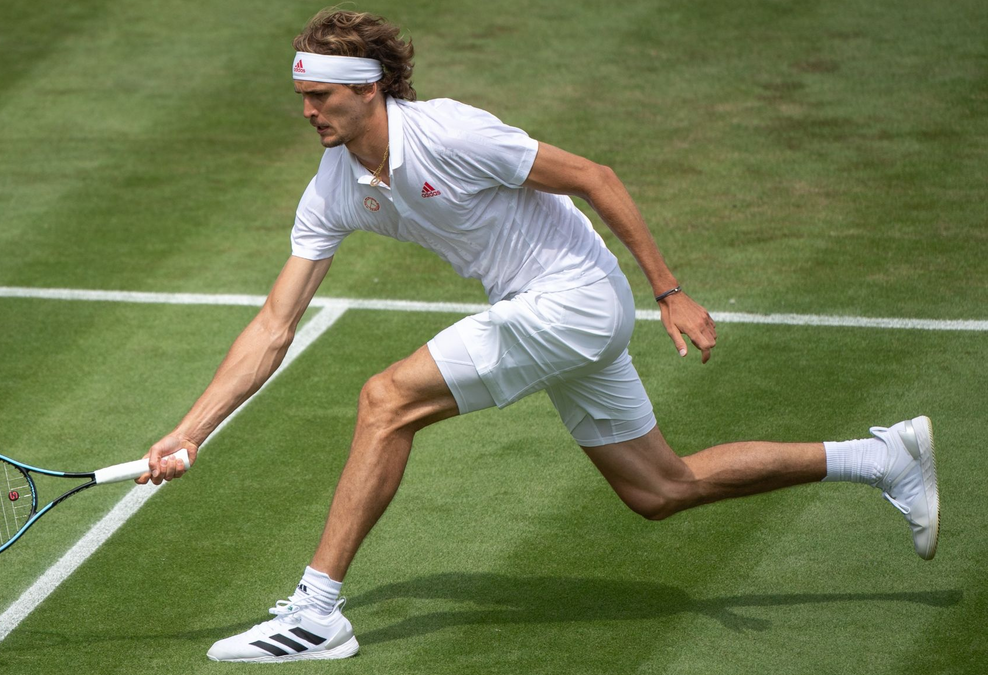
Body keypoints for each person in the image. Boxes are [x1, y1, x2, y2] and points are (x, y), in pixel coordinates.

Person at [136, 9, 939, 663]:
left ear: (369, 89)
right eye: (303, 97)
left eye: (321, 96)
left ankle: (317, 611)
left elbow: (594, 177)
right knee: (660, 489)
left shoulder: (451, 133)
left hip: (574, 299)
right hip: (548, 311)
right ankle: (882, 457)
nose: (308, 111)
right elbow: (274, 324)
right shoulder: (335, 186)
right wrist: (190, 429)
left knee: (386, 399)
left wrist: (669, 290)